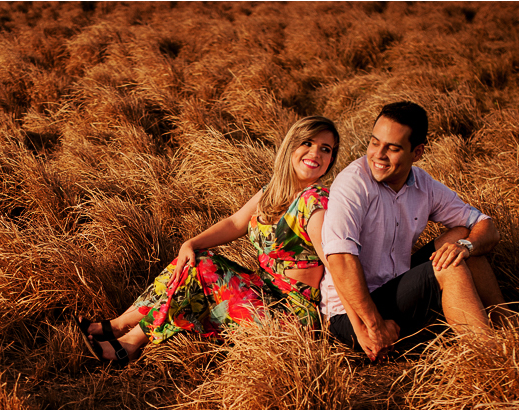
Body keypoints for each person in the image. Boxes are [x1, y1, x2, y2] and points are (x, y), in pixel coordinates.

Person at [80, 116, 340, 366]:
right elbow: (235, 223)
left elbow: (336, 262)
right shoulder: (273, 191)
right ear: (290, 146)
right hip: (262, 290)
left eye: (325, 149)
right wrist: (190, 243)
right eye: (307, 143)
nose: (315, 153)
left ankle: (129, 344)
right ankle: (119, 324)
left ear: (331, 160)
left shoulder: (315, 200)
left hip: (289, 314)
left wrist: (355, 323)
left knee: (203, 268)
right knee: (191, 258)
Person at [320, 101, 505, 361]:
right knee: (449, 268)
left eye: (392, 148)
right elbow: (340, 260)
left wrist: (465, 246)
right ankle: (492, 360)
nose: (378, 155)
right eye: (374, 142)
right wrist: (375, 326)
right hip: (352, 314)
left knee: (463, 239)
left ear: (416, 152)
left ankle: (508, 327)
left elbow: (486, 227)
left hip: (395, 286)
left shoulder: (423, 184)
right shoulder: (352, 183)